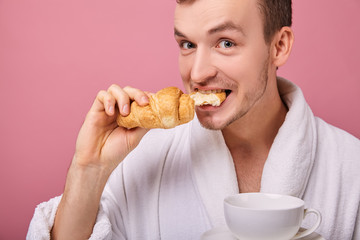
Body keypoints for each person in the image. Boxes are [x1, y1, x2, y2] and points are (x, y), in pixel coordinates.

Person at [27, 0, 360, 239]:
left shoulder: (351, 167)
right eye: (187, 44)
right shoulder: (141, 160)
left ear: (279, 46)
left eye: (225, 43)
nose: (197, 73)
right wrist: (89, 170)